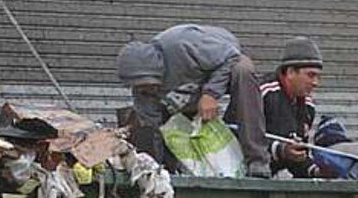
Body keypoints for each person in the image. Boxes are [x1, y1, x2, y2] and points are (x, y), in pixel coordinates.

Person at [116, 25, 270, 178]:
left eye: (148, 84)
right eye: (140, 87)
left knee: (243, 70)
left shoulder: (183, 45)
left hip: (219, 68)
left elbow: (231, 57)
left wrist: (211, 93)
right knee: (145, 124)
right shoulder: (143, 94)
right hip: (187, 96)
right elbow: (154, 129)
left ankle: (257, 160)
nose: (147, 91)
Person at [260, 37, 322, 177]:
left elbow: (298, 156)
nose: (315, 83)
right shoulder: (262, 93)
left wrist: (316, 171)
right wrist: (281, 150)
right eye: (311, 75)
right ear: (290, 72)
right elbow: (239, 135)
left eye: (319, 77)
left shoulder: (308, 107)